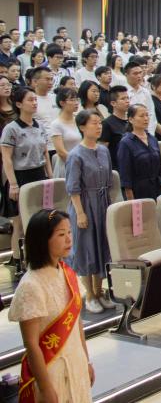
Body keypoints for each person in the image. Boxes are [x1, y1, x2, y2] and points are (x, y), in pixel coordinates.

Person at [10, 210, 94, 403]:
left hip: (76, 363)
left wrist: (86, 360)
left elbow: (77, 324)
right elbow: (31, 344)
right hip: (51, 371)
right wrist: (45, 387)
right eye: (61, 234)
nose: (69, 239)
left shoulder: (67, 273)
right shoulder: (31, 285)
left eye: (70, 232)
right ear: (43, 240)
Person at [65, 109, 115, 313]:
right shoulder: (75, 155)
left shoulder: (103, 150)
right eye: (94, 123)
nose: (98, 126)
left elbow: (110, 180)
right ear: (82, 127)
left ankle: (99, 290)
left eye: (100, 122)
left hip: (102, 203)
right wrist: (80, 213)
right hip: (85, 204)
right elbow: (73, 188)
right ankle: (89, 295)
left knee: (102, 247)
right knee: (86, 249)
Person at [2, 88, 53, 271]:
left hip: (39, 175)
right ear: (18, 104)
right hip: (21, 176)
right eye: (30, 100)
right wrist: (13, 184)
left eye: (35, 100)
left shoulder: (39, 126)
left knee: (41, 219)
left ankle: (39, 258)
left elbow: (45, 153)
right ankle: (18, 260)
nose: (34, 103)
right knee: (20, 223)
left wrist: (50, 176)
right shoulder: (11, 128)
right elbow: (7, 158)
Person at [117, 105, 161, 202]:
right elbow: (125, 175)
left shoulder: (152, 139)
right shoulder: (126, 142)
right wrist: (131, 200)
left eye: (147, 115)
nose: (146, 118)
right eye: (141, 116)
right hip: (139, 191)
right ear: (131, 119)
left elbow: (160, 168)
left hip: (156, 188)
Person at [50, 87, 82, 178]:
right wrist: (78, 163)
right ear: (62, 103)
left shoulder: (79, 120)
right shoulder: (56, 124)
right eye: (72, 100)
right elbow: (61, 152)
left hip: (81, 163)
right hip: (67, 165)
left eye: (77, 99)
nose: (76, 103)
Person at [99, 86, 130, 172]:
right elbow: (102, 152)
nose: (127, 101)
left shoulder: (131, 121)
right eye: (123, 99)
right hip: (117, 169)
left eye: (128, 98)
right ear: (113, 103)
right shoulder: (107, 124)